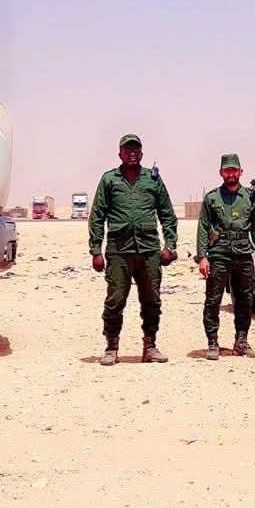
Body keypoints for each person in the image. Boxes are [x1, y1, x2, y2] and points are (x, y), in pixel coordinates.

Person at [88, 134, 178, 365]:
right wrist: (96, 251)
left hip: (149, 250)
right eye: (127, 150)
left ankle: (150, 346)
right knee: (115, 300)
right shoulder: (109, 180)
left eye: (136, 150)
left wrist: (170, 245)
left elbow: (167, 214)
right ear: (120, 154)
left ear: (142, 154)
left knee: (152, 300)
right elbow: (97, 216)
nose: (132, 154)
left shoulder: (153, 180)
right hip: (119, 251)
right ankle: (111, 347)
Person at [196, 153, 255, 360]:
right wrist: (202, 257)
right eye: (227, 170)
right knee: (213, 300)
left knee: (245, 300)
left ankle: (241, 341)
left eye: (234, 170)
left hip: (243, 253)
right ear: (221, 173)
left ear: (240, 172)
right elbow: (203, 227)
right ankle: (212, 342)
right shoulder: (212, 198)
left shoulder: (249, 197)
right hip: (219, 254)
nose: (231, 174)